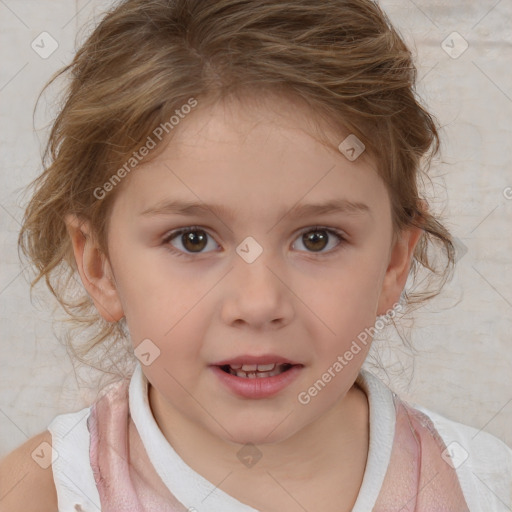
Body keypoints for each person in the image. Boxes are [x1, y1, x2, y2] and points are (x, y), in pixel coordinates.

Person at [1, 0, 511, 510]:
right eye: (192, 239)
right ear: (99, 266)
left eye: (318, 239)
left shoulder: (483, 484)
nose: (259, 302)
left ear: (395, 261)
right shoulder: (38, 494)